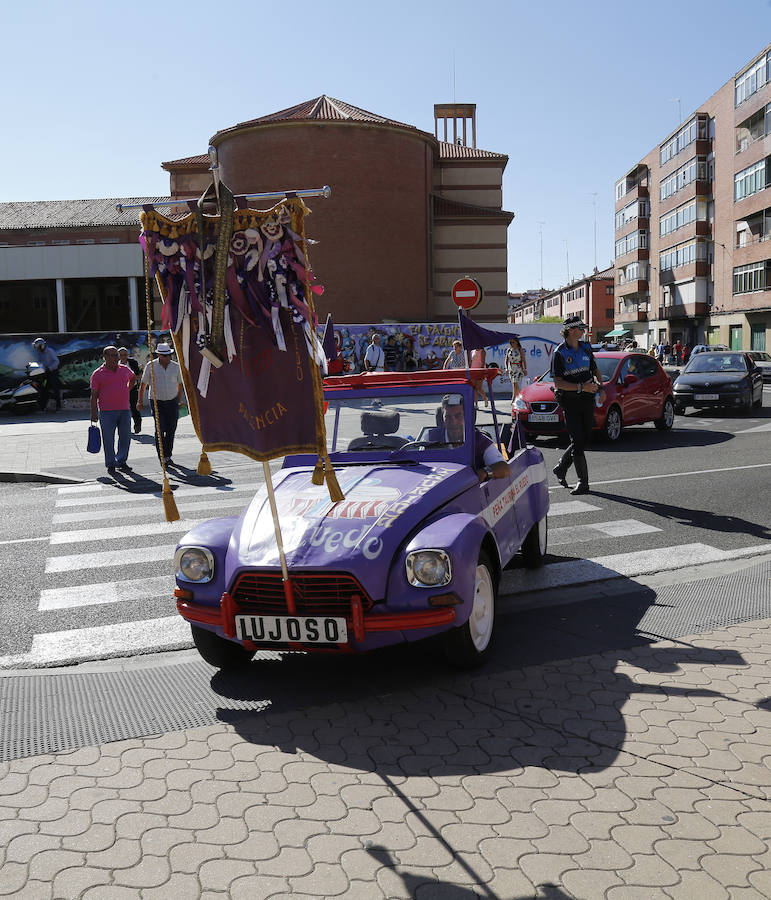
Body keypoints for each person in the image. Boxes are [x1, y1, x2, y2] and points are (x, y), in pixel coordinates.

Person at [550, 314, 606, 495]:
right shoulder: (559, 353)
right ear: (571, 331)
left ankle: (560, 467)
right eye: (580, 328)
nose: (583, 331)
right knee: (577, 440)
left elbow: (595, 369)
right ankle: (583, 482)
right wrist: (581, 386)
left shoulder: (586, 347)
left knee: (585, 439)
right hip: (570, 401)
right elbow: (558, 383)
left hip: (587, 399)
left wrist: (601, 388)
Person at [439, 395, 508, 482]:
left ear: (468, 417)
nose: (453, 422)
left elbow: (504, 468)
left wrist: (484, 472)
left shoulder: (480, 441)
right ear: (442, 417)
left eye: (458, 416)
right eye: (448, 417)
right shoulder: (431, 439)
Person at [89, 345, 136, 475]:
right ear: (105, 357)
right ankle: (110, 463)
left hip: (124, 410)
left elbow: (133, 378)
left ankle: (121, 460)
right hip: (106, 411)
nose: (116, 358)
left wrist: (127, 389)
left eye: (117, 355)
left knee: (125, 437)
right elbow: (94, 395)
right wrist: (93, 413)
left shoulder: (124, 370)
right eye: (113, 355)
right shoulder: (97, 374)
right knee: (108, 439)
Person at [137, 342, 185, 465]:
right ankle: (162, 456)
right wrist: (140, 401)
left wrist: (179, 400)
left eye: (169, 355)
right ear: (158, 355)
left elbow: (180, 385)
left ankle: (168, 455)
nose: (167, 357)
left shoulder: (175, 367)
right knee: (160, 429)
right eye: (165, 355)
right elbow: (143, 385)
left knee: (171, 429)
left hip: (172, 401)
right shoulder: (150, 366)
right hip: (157, 402)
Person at [32, 338, 61, 411]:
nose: (38, 349)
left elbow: (56, 361)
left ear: (42, 346)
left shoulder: (50, 351)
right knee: (44, 390)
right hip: (45, 373)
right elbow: (40, 362)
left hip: (53, 371)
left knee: (55, 389)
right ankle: (42, 407)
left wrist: (50, 368)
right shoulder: (40, 353)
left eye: (38, 347)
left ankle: (58, 406)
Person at [118, 347, 142, 433]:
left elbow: (138, 374)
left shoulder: (133, 362)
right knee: (121, 409)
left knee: (134, 407)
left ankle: (137, 424)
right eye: (121, 355)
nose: (123, 357)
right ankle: (123, 427)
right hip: (120, 390)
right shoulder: (115, 364)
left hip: (133, 388)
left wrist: (135, 378)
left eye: (125, 355)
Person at [504, 336, 528, 403]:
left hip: (518, 367)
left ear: (517, 342)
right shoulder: (509, 350)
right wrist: (506, 368)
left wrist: (524, 368)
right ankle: (521, 396)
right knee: (514, 383)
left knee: (515, 383)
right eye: (510, 342)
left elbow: (523, 360)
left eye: (513, 342)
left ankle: (514, 398)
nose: (511, 343)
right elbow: (506, 360)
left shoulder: (520, 349)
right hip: (511, 368)